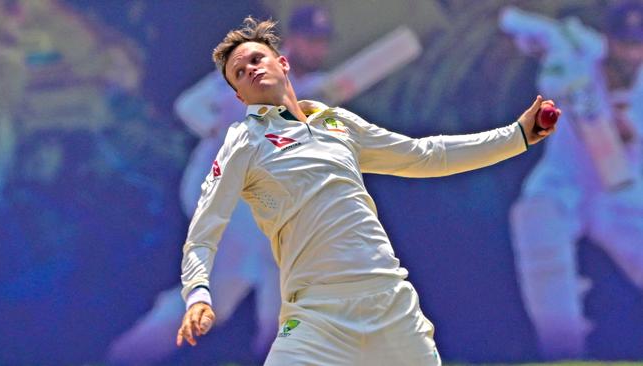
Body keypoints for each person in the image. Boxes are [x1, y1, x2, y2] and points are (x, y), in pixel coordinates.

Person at [175, 15, 557, 365]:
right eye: (239, 73)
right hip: (314, 316)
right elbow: (203, 232)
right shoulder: (242, 142)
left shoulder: (336, 122)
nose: (251, 70)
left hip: (389, 303)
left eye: (257, 59)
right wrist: (197, 295)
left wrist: (517, 136)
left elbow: (425, 155)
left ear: (283, 63)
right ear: (239, 97)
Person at [107, 5, 333, 363]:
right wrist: (218, 127)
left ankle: (126, 354)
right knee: (256, 272)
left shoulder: (311, 88)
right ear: (294, 39)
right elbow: (189, 105)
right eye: (311, 41)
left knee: (237, 297)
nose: (317, 49)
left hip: (254, 202)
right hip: (220, 196)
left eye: (322, 42)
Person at [501, 2, 643, 360]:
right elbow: (517, 23)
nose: (631, 53)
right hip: (565, 181)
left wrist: (631, 129)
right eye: (624, 43)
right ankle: (563, 353)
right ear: (609, 38)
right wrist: (543, 48)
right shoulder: (578, 50)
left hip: (622, 193)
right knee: (536, 220)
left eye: (639, 44)